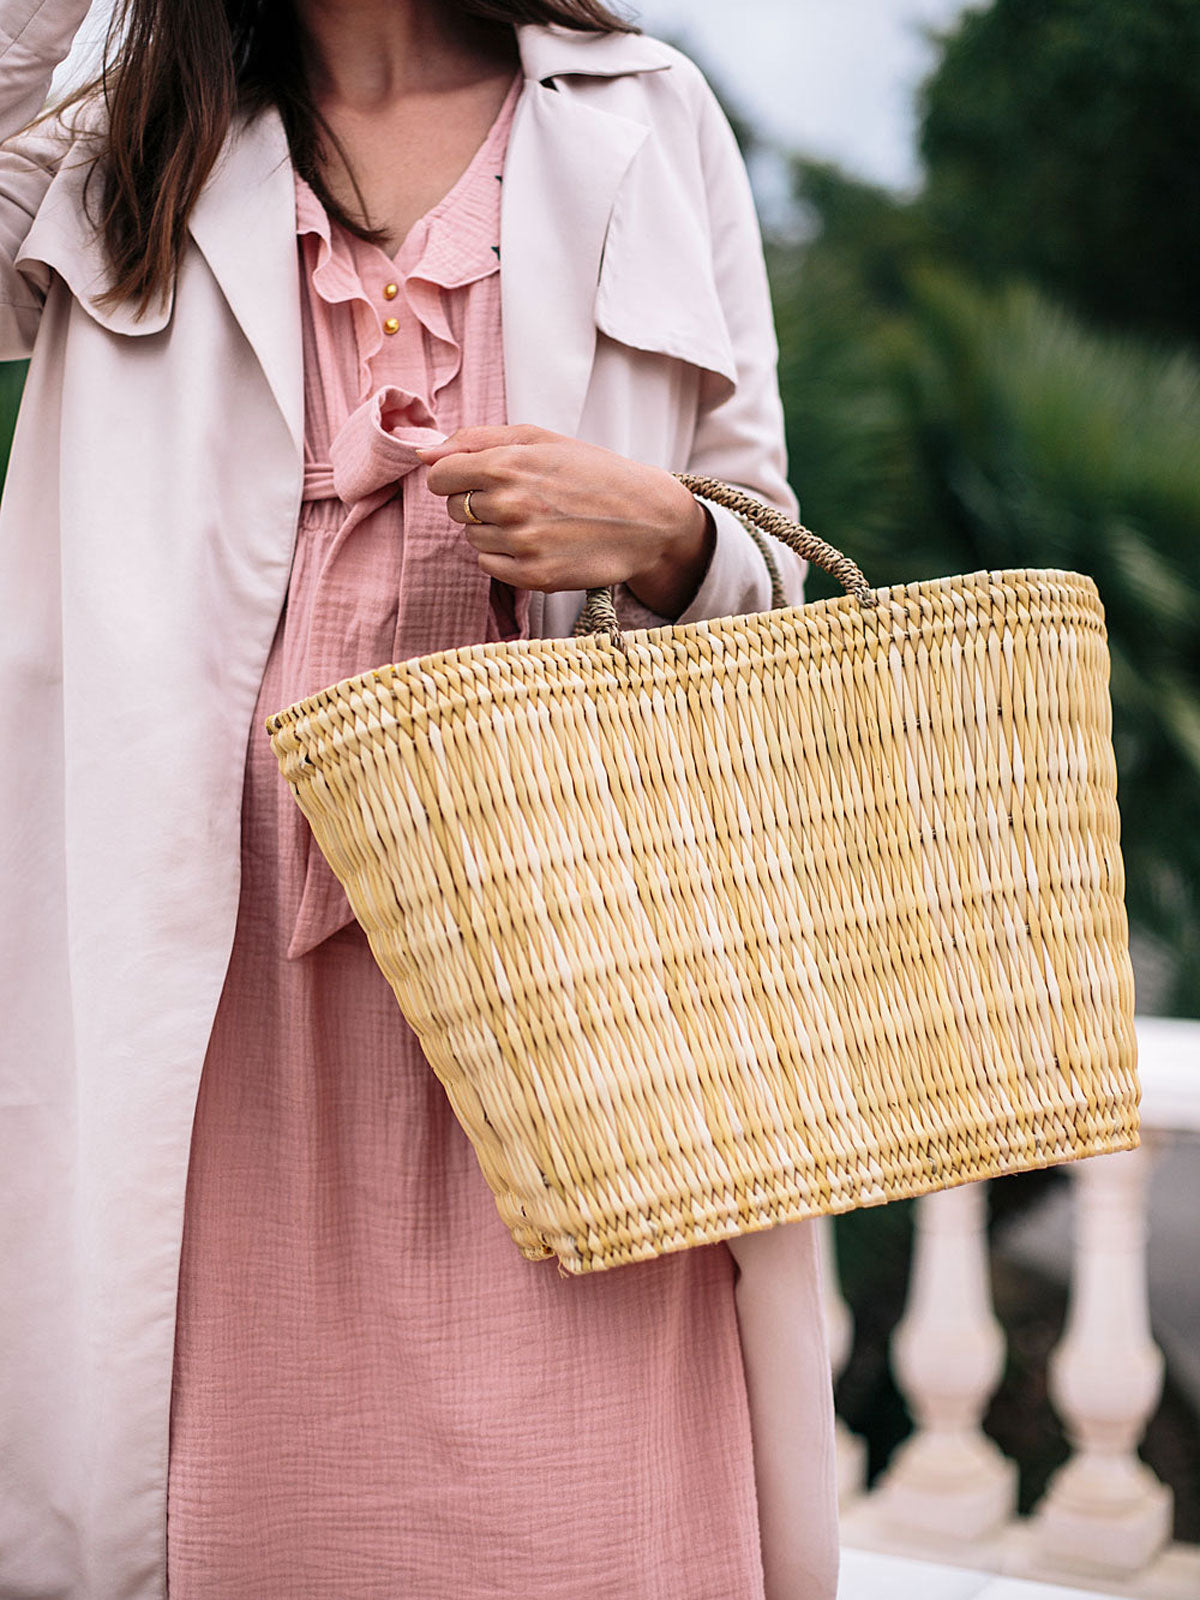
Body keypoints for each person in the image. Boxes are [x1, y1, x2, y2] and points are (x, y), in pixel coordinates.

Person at [0, 0, 838, 1595]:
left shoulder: (647, 114)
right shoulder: (119, 143)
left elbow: (770, 578)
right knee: (228, 1517)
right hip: (213, 999)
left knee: (580, 1525)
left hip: (570, 1004)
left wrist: (664, 532)